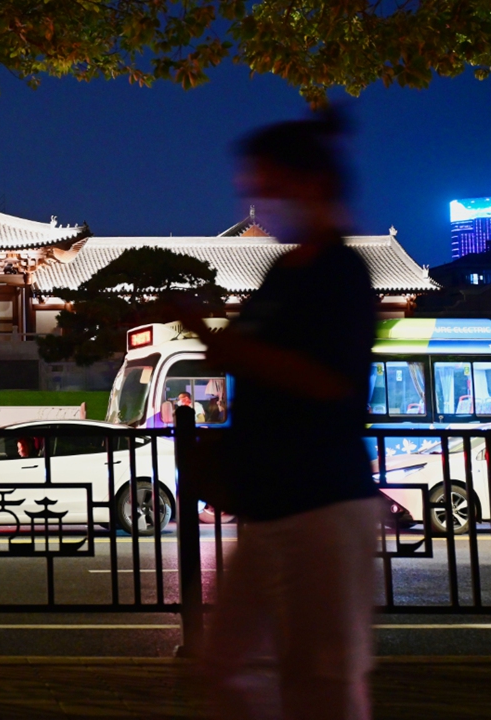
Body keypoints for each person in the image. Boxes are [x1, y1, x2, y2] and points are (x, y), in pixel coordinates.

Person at [183, 110, 382, 720]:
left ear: (311, 183)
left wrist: (220, 342)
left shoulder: (341, 273)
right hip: (269, 506)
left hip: (323, 503)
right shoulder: (277, 270)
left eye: (268, 184)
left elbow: (327, 380)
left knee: (321, 680)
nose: (257, 200)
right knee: (223, 666)